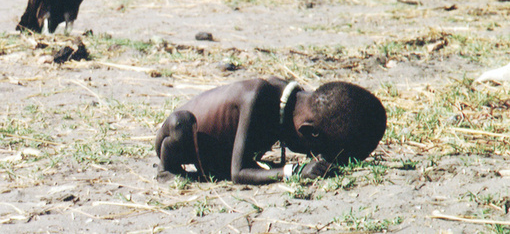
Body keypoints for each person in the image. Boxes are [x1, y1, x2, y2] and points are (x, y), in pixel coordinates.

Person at [155, 76, 386, 185]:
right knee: (180, 125)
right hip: (181, 136)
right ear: (309, 132)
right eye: (314, 151)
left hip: (216, 152)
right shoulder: (258, 98)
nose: (312, 156)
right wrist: (295, 171)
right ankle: (166, 171)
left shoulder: (292, 102)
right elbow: (239, 173)